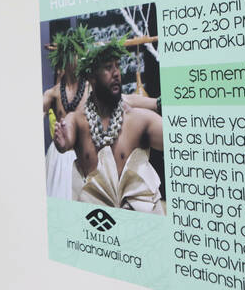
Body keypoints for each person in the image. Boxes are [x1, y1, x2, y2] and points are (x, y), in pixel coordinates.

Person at [53, 37, 164, 214]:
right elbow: (69, 130)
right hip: (98, 221)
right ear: (91, 77)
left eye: (117, 66)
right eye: (108, 67)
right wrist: (63, 141)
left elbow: (174, 137)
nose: (116, 73)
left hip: (140, 217)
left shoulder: (136, 119)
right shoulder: (78, 120)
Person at [43, 26, 94, 199]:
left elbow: (123, 100)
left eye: (81, 52)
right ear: (65, 57)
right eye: (74, 53)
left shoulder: (91, 89)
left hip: (84, 153)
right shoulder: (53, 93)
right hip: (59, 158)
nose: (78, 57)